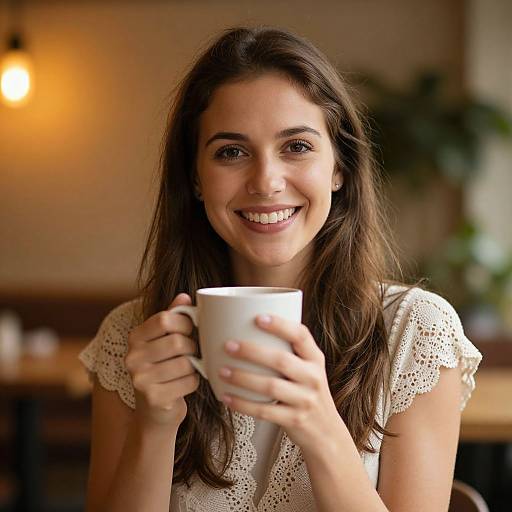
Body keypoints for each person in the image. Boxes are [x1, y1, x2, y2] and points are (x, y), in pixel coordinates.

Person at [79, 26, 482, 512]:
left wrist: (319, 427)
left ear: (339, 168)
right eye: (231, 152)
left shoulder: (416, 333)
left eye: (297, 146)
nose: (266, 181)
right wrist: (155, 424)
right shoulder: (130, 338)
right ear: (196, 179)